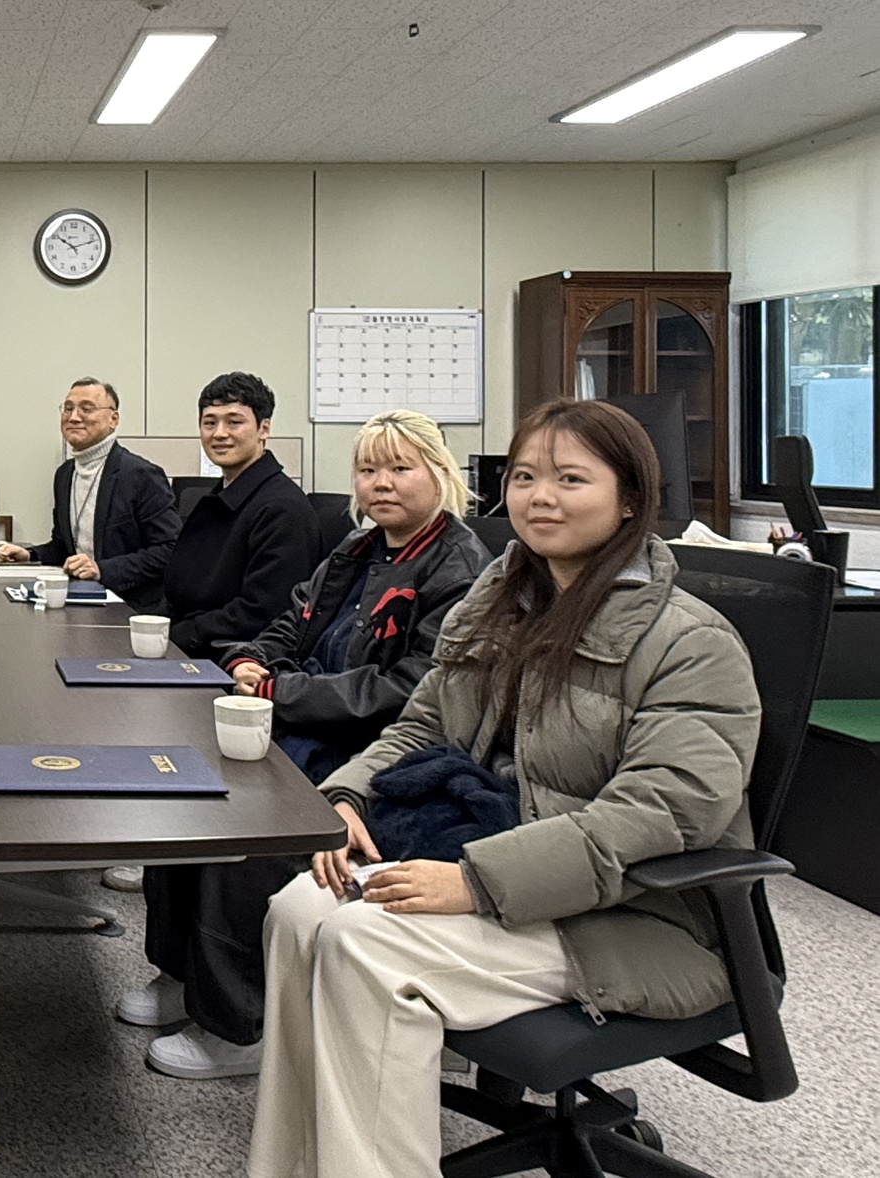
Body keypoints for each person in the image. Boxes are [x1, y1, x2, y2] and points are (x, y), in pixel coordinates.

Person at [249, 399, 761, 1178]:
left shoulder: (689, 642)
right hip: (490, 858)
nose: (539, 496)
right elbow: (422, 727)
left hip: (634, 914)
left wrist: (476, 883)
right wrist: (345, 796)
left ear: (629, 500)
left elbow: (659, 814)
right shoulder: (500, 602)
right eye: (523, 476)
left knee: (364, 942)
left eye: (569, 479)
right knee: (296, 907)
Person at [124, 410, 492, 1080]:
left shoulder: (461, 571)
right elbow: (289, 620)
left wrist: (279, 695)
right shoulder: (357, 548)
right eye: (368, 469)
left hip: (376, 748)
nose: (380, 483)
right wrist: (251, 661)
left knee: (248, 823)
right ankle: (182, 973)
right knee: (181, 785)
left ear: (438, 474)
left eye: (400, 468)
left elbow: (408, 690)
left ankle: (241, 1024)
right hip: (302, 717)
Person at [162, 372, 319, 658]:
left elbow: (263, 612)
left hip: (233, 660)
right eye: (210, 423)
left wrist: (178, 635)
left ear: (264, 429)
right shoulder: (217, 497)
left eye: (234, 422)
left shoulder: (283, 509)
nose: (219, 433)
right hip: (189, 644)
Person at [0, 377, 180, 612]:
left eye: (87, 409)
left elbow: (170, 550)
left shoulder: (142, 475)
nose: (73, 417)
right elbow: (64, 546)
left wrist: (102, 569)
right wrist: (29, 554)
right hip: (79, 599)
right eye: (68, 408)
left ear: (113, 419)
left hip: (130, 607)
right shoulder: (65, 474)